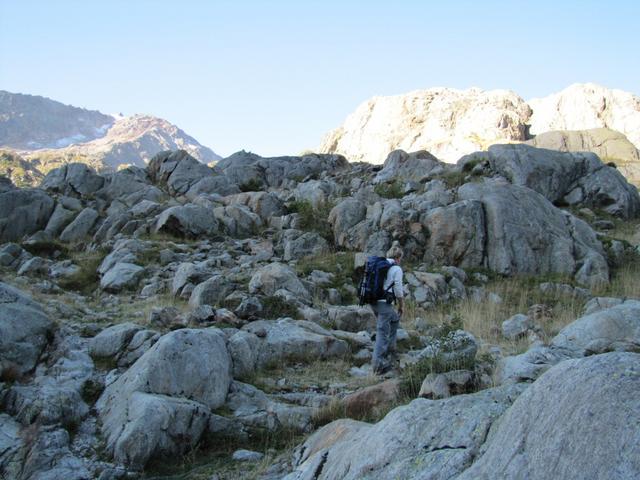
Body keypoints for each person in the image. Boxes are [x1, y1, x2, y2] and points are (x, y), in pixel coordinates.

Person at [372, 242, 404, 375]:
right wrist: (401, 305)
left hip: (373, 302)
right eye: (401, 258)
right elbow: (398, 289)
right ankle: (378, 366)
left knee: (394, 319)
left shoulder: (379, 265)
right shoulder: (396, 269)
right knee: (382, 332)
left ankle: (390, 349)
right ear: (398, 257)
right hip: (384, 303)